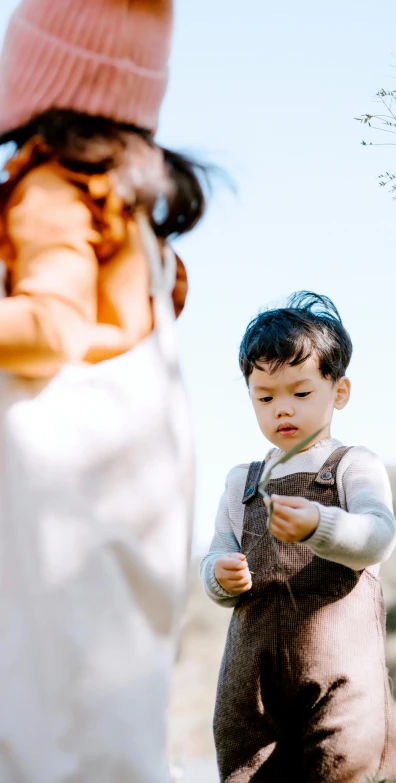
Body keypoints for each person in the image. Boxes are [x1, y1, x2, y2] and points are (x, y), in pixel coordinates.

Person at [0, 1, 205, 780]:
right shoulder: (136, 225)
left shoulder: (52, 191)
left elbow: (51, 326)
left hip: (58, 521)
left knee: (34, 722)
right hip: (133, 520)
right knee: (104, 739)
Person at [200, 292, 396, 782]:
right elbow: (217, 554)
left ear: (340, 391)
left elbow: (379, 536)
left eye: (300, 393)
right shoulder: (241, 481)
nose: (281, 409)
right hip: (252, 687)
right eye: (265, 397)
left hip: (341, 681)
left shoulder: (354, 466)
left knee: (344, 769)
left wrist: (320, 526)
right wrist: (220, 575)